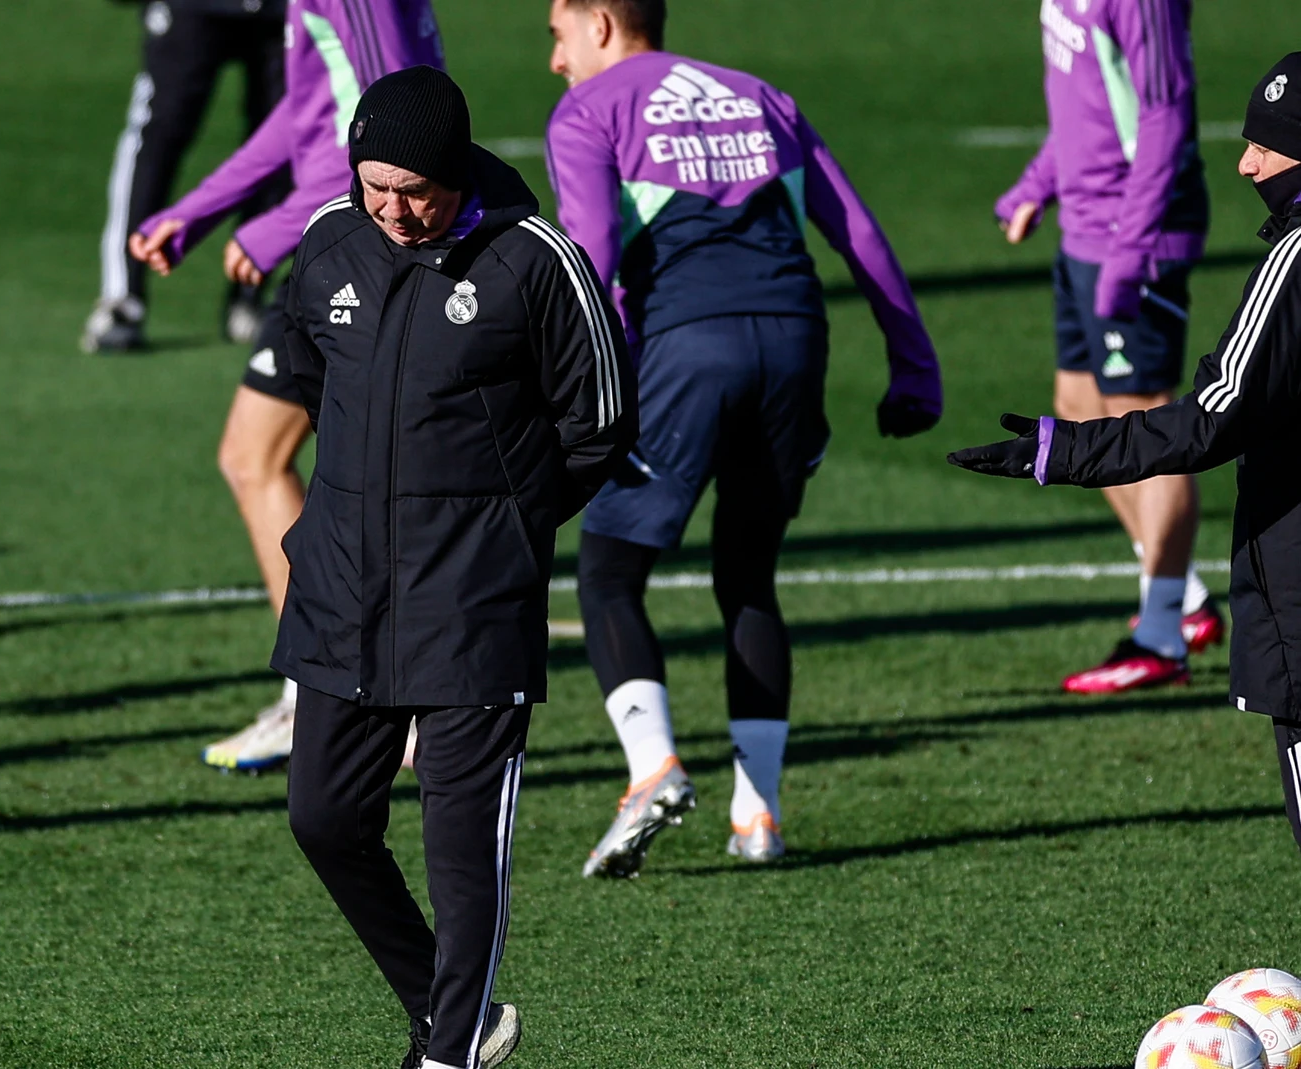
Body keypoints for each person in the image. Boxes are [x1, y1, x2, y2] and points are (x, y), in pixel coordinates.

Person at [280, 67, 638, 1069]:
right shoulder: (327, 241)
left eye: (414, 191)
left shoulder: (533, 262)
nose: (392, 210)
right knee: (323, 818)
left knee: (459, 853)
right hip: (345, 596)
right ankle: (464, 1019)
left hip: (472, 607)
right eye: (374, 186)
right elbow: (311, 374)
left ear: (458, 172)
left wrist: (504, 527)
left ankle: (446, 1057)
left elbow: (599, 424)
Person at [543, 0, 942, 876]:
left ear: (601, 24)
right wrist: (914, 361)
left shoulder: (589, 110)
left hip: (687, 349)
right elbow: (858, 232)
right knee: (749, 575)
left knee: (609, 573)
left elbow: (591, 258)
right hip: (796, 340)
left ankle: (653, 769)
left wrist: (592, 390)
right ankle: (757, 814)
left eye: (557, 35)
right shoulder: (760, 94)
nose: (554, 61)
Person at [951, 54, 1301, 858]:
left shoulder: (1294, 259)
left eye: (1270, 146)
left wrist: (1061, 451)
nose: (1246, 163)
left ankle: (1163, 621)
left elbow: (1211, 418)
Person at [127, 0, 445, 772]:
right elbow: (305, 113)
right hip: (329, 235)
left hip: (357, 250)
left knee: (296, 465)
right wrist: (200, 211)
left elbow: (402, 134)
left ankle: (364, 697)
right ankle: (332, 694)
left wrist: (274, 229)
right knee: (258, 458)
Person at [995, 0, 1220, 695]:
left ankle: (1161, 637)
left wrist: (1132, 247)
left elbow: (1165, 111)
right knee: (1080, 405)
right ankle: (1180, 594)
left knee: (1142, 421)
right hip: (1085, 230)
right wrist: (1040, 183)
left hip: (1132, 232)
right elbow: (1087, 103)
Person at [84, 0, 289, 353]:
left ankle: (249, 295)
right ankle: (122, 297)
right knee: (158, 134)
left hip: (281, 11)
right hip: (192, 8)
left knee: (283, 143)